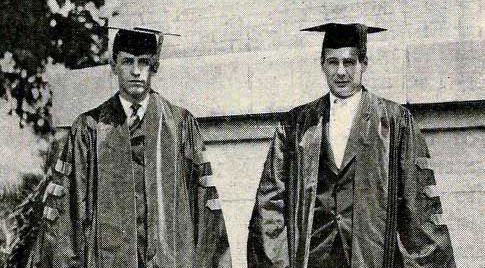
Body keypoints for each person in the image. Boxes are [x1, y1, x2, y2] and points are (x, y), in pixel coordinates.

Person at [247, 23, 455, 268]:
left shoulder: (395, 121)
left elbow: (417, 205)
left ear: (364, 64)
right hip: (313, 257)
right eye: (333, 62)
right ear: (322, 65)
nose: (341, 72)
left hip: (371, 256)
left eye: (349, 62)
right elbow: (270, 203)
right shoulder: (297, 125)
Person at [28, 27, 232, 268]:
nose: (136, 71)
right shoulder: (88, 129)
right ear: (113, 65)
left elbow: (205, 213)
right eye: (127, 62)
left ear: (155, 66)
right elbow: (67, 218)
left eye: (144, 62)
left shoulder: (180, 125)